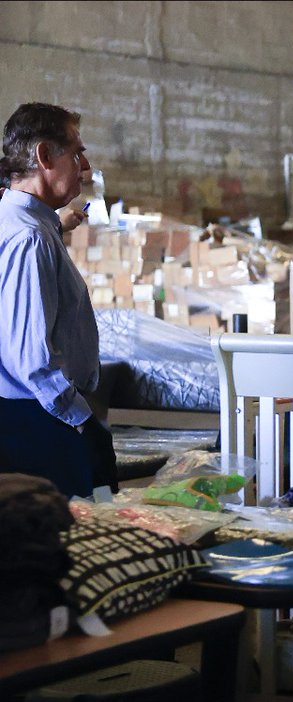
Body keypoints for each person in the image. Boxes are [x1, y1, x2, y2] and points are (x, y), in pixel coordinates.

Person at [0, 102, 116, 498]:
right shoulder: (29, 239)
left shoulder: (24, 224)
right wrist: (80, 421)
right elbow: (31, 358)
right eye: (76, 152)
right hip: (41, 421)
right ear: (44, 156)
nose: (85, 166)